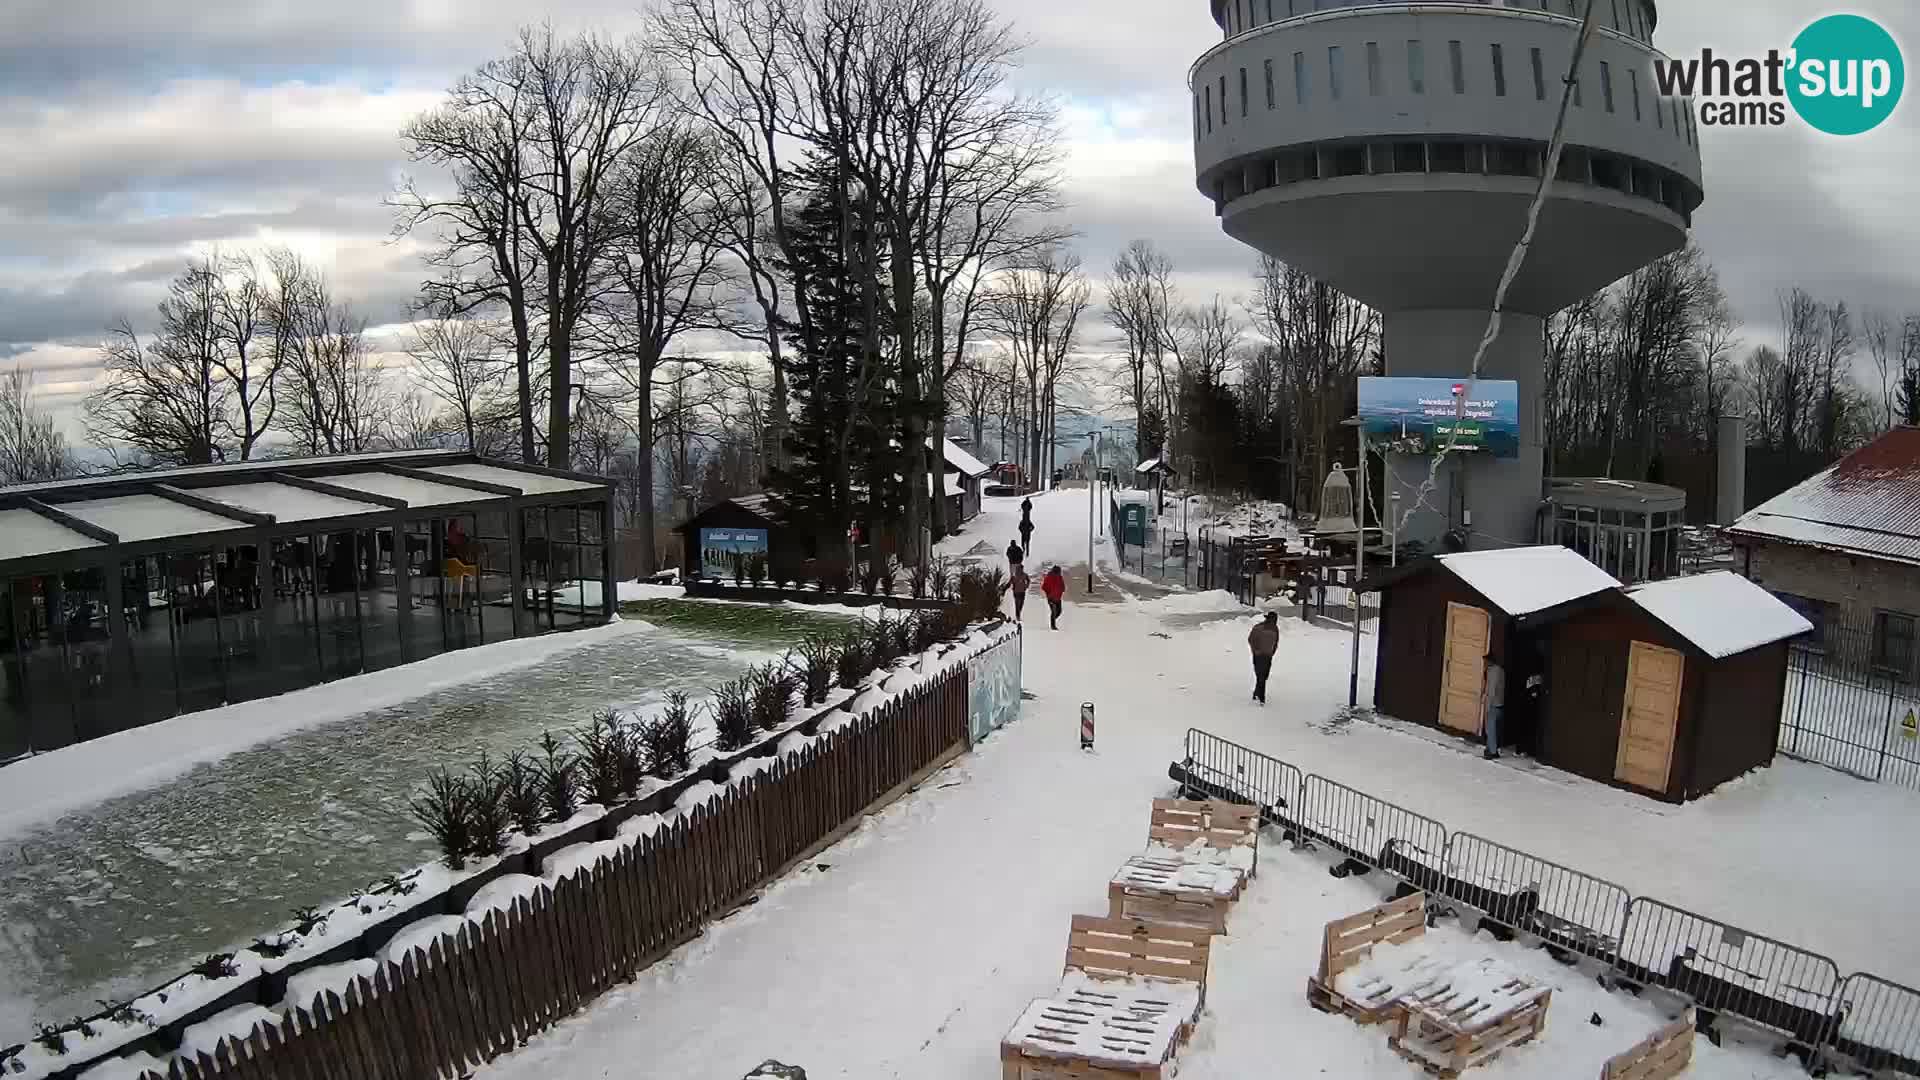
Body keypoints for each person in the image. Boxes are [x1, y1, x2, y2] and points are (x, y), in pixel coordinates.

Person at [1247, 611, 1279, 705]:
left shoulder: (1275, 629)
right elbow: (1251, 639)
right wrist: (1255, 650)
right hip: (1258, 655)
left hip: (1268, 656)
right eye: (1273, 619)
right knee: (1260, 675)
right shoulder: (1258, 628)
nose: (1274, 621)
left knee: (1264, 676)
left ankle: (1256, 693)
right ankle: (1262, 698)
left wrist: (1272, 652)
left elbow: (1276, 641)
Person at [1482, 653, 1505, 760]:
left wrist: (1487, 704)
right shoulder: (1498, 670)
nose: (1484, 664)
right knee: (1492, 727)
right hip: (1498, 703)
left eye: (1485, 662)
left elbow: (1492, 689)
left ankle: (1493, 751)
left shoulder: (1494, 672)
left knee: (1491, 728)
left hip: (1494, 704)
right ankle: (1489, 748)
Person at [1040, 565, 1066, 629]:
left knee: (1059, 611)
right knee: (1054, 611)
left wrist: (1062, 590)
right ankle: (1053, 625)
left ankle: (1053, 620)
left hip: (1058, 598)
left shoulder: (1060, 577)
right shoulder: (1049, 577)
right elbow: (1044, 587)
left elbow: (1062, 585)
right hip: (1051, 598)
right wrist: (1048, 593)